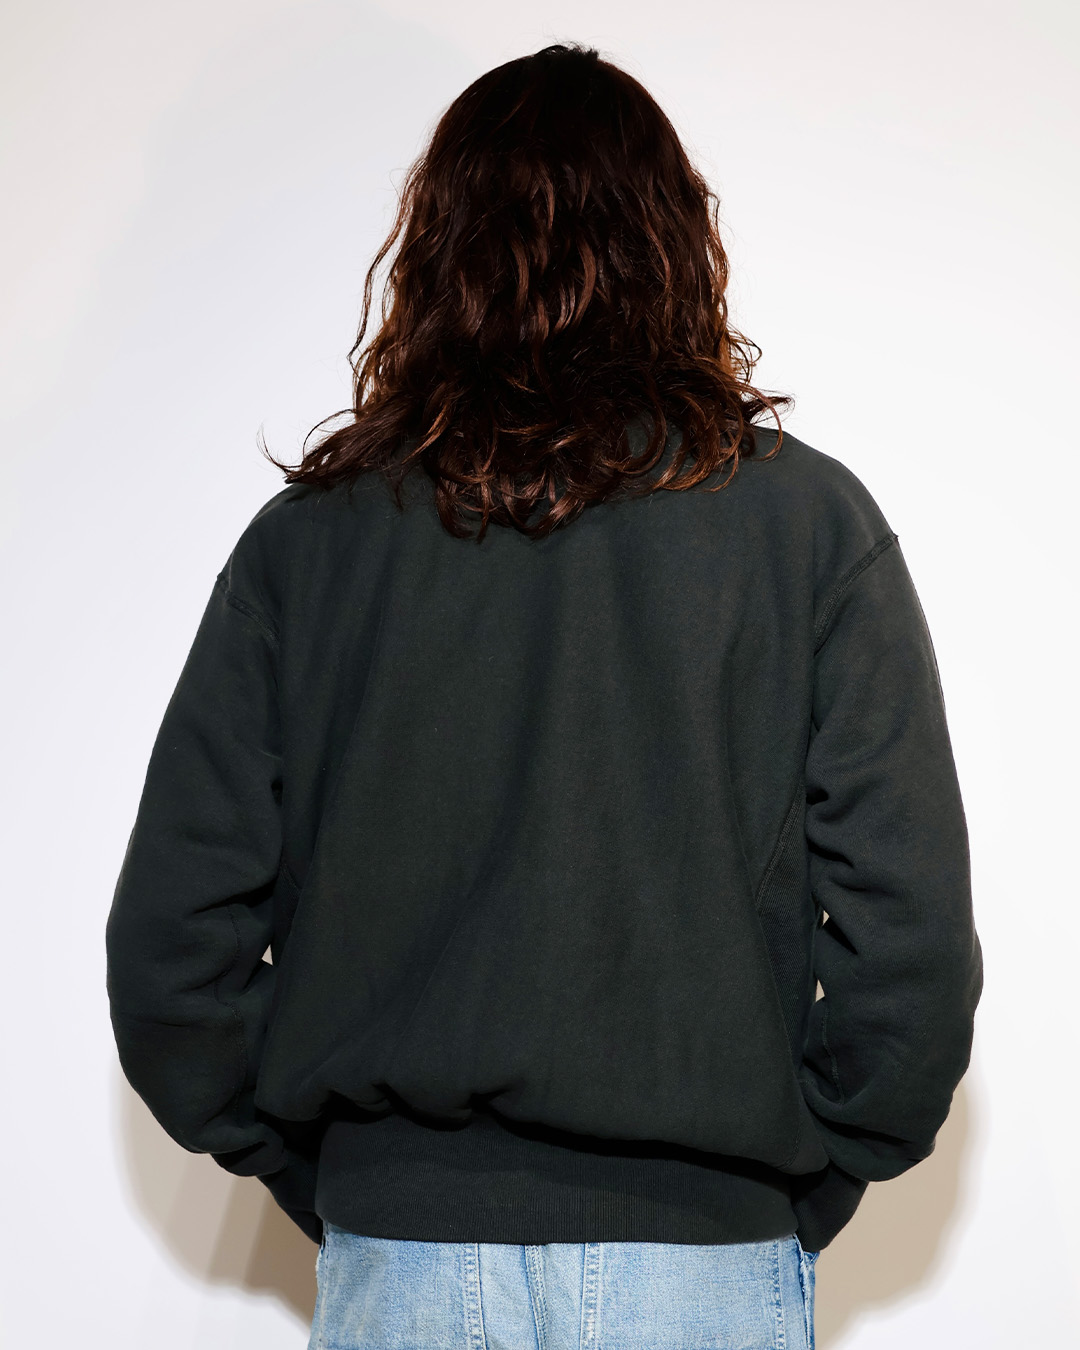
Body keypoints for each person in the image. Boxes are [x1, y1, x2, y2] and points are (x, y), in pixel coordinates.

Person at [104, 41, 984, 1350]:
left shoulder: (311, 546)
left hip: (404, 1260)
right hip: (702, 1265)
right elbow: (906, 949)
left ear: (436, 255)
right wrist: (796, 1180)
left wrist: (354, 1177)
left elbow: (173, 955)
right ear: (676, 248)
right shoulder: (807, 527)